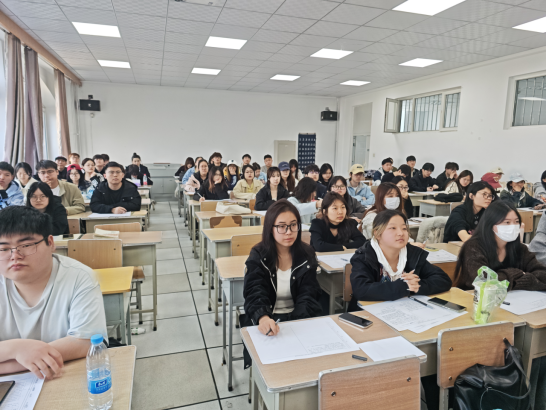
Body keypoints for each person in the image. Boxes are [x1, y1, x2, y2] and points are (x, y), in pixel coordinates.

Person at [0, 207, 108, 378]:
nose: (15, 256)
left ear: (50, 243)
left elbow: (85, 343)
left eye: (26, 245)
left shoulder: (79, 277)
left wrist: (21, 357)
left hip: (64, 375)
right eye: (3, 249)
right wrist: (15, 349)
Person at [243, 200, 323, 338]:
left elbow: (309, 294)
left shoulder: (306, 254)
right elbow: (254, 291)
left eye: (293, 225)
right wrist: (263, 317)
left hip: (300, 319)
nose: (289, 232)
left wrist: (294, 323)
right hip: (267, 318)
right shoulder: (259, 255)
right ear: (270, 228)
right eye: (281, 226)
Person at [350, 209, 452, 301]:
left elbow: (443, 279)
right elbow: (361, 290)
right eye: (393, 228)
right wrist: (403, 287)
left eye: (404, 228)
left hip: (406, 309)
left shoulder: (412, 253)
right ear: (377, 234)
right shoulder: (365, 256)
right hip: (368, 311)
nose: (400, 233)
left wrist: (416, 286)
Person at [454, 200, 546, 291]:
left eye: (516, 221)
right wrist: (516, 274)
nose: (513, 226)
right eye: (507, 222)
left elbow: (543, 274)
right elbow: (484, 282)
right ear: (491, 224)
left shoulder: (520, 248)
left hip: (515, 298)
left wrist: (514, 281)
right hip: (475, 298)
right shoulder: (473, 247)